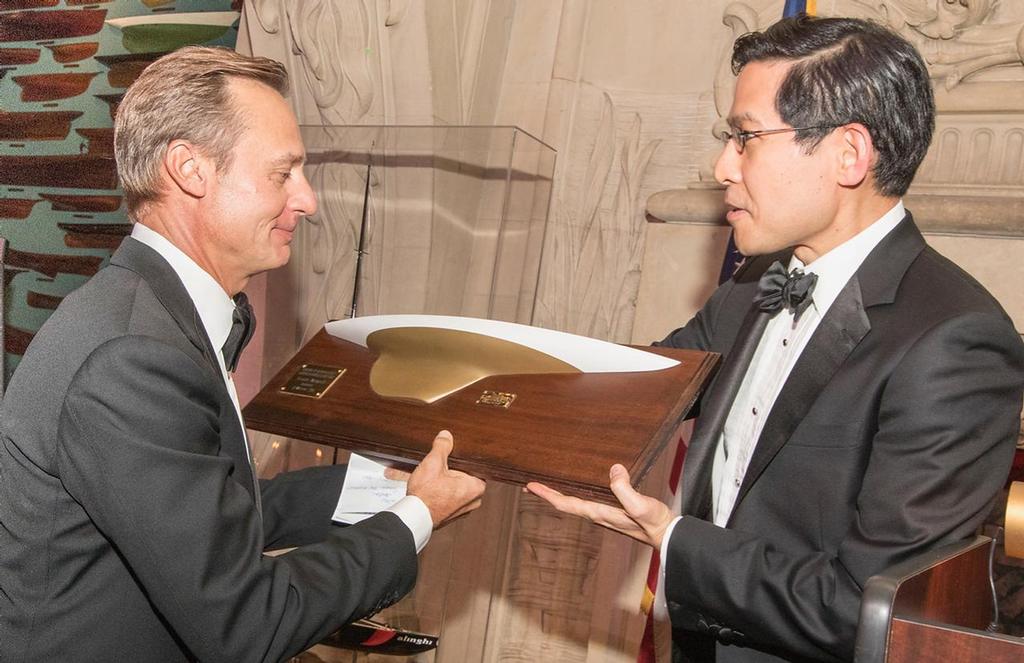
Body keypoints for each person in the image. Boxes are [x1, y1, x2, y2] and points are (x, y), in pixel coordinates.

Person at [528, 15, 1024, 663]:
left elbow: (863, 611)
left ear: (849, 154)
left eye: (745, 137)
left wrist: (674, 539)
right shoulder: (756, 282)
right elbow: (638, 388)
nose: (721, 166)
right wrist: (479, 390)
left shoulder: (956, 341)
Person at [0, 46, 485, 662]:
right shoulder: (132, 356)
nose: (307, 201)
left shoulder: (153, 312)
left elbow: (209, 512)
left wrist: (383, 490)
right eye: (283, 174)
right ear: (190, 170)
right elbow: (246, 624)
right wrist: (417, 517)